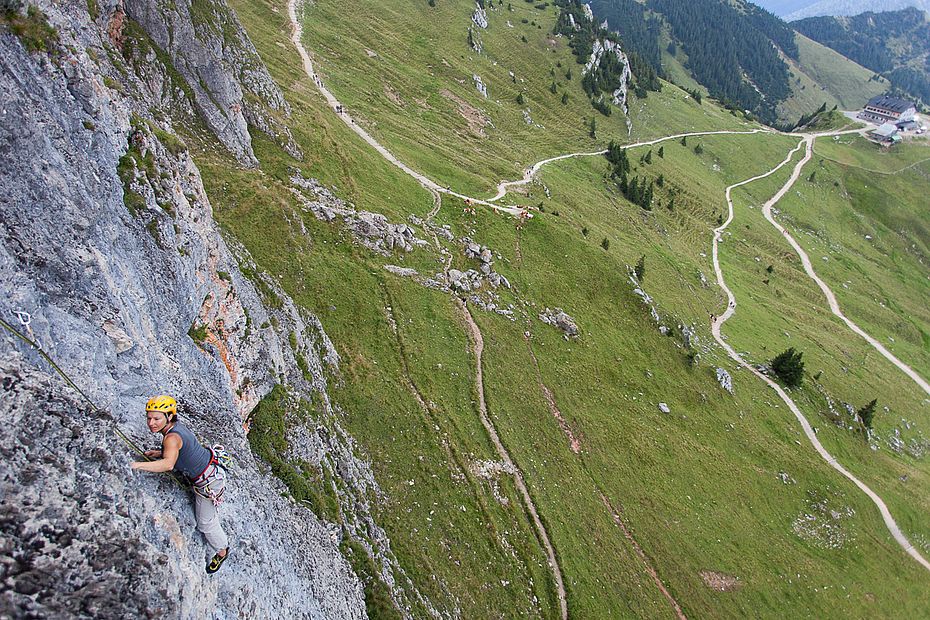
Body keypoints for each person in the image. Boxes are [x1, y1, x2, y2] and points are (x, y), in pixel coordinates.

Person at [131, 395, 231, 574]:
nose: (151, 423)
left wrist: (137, 465)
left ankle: (222, 550)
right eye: (149, 418)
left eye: (156, 418)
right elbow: (180, 450)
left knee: (205, 524)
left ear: (168, 417)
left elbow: (168, 464)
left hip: (209, 483)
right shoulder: (175, 429)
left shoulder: (171, 438)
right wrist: (160, 452)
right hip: (211, 470)